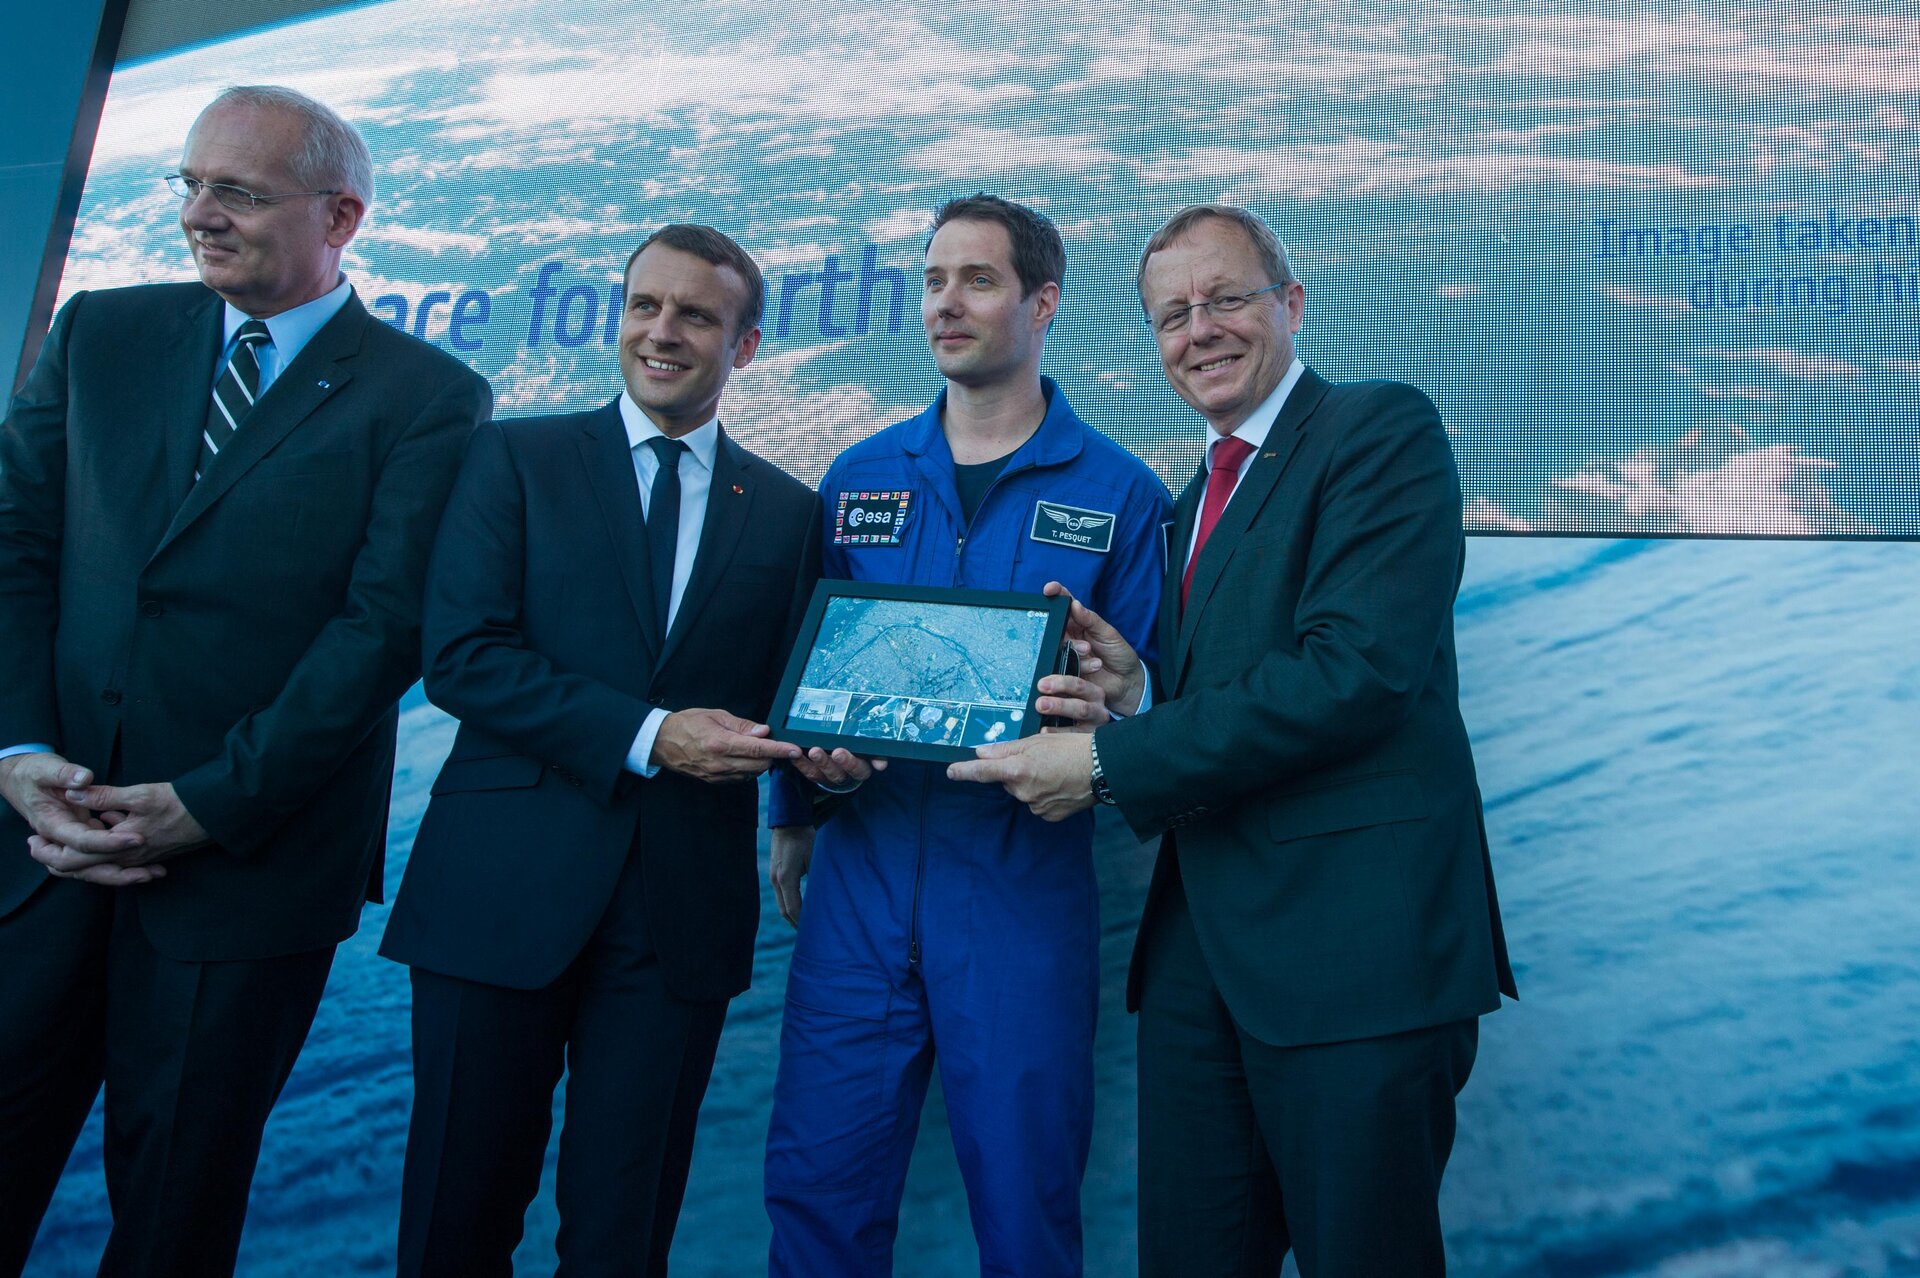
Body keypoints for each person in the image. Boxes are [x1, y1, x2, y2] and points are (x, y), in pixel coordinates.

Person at [949, 204, 1517, 1277]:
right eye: (1171, 315)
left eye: (1224, 300)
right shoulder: (1180, 507)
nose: (1198, 330)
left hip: (1358, 959)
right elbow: (1233, 703)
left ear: (1291, 306)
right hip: (1201, 968)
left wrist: (1110, 764)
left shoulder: (1377, 429)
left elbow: (1356, 674)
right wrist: (1138, 692)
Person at [0, 86, 490, 1277]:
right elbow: (15, 551)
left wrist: (207, 803)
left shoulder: (427, 397)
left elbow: (380, 635)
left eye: (239, 192)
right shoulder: (101, 333)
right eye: (190, 185)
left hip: (244, 874)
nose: (200, 216)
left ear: (342, 217)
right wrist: (19, 760)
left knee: (173, 1213)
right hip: (42, 854)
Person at [378, 223, 820, 1277]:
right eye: (643, 307)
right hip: (496, 900)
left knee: (624, 1238)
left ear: (743, 347)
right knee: (454, 1217)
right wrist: (651, 736)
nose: (660, 333)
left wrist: (824, 763)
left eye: (694, 316)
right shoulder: (514, 457)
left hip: (676, 921)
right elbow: (463, 658)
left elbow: (790, 702)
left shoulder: (791, 513)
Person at [762, 194, 1172, 1277]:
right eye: (934, 281)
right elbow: (810, 674)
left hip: (1020, 892)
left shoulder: (1123, 495)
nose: (947, 303)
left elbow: (1156, 704)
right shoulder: (858, 480)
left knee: (1026, 1207)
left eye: (977, 281)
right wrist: (799, 804)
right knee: (817, 1194)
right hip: (861, 884)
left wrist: (1119, 713)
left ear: (1043, 303)